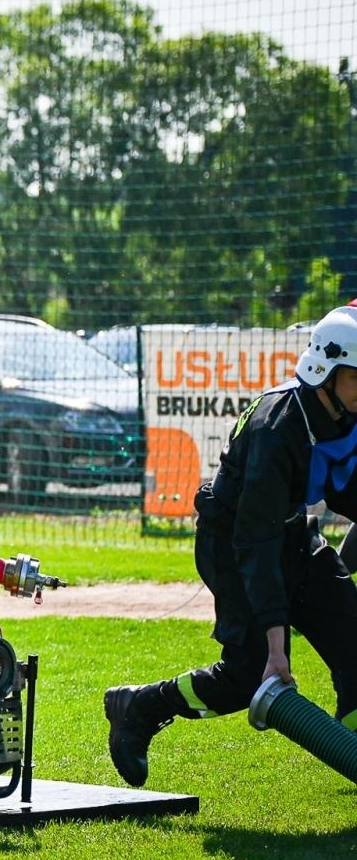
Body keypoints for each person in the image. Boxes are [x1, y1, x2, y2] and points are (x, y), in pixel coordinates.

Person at [105, 305, 357, 787]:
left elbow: (346, 489)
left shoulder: (341, 414)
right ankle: (139, 707)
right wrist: (276, 648)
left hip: (291, 534)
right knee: (247, 677)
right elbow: (256, 544)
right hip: (234, 545)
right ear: (325, 371)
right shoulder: (276, 428)